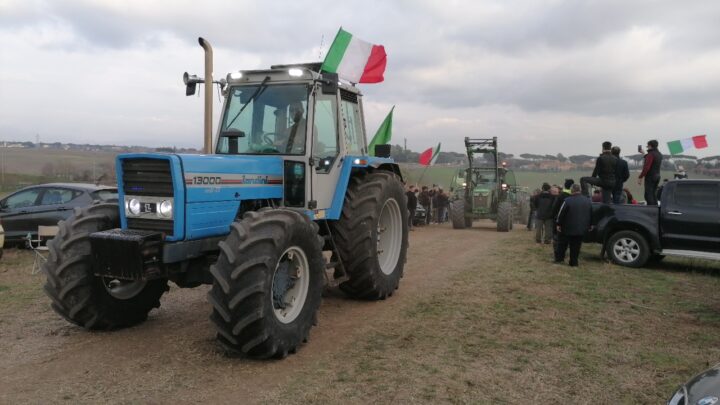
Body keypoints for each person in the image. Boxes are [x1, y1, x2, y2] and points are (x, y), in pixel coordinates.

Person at [554, 184, 593, 267]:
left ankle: (559, 259)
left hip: (567, 227)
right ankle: (573, 262)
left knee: (562, 244)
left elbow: (561, 213)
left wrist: (558, 223)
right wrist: (590, 224)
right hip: (581, 228)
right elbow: (591, 214)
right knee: (576, 246)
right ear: (580, 190)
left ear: (572, 190)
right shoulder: (587, 201)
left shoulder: (567, 200)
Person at [637, 139, 663, 205]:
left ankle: (651, 211)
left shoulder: (650, 154)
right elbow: (652, 160)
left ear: (650, 146)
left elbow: (647, 167)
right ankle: (656, 209)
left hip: (650, 177)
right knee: (653, 194)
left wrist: (640, 177)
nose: (647, 148)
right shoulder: (659, 154)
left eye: (647, 146)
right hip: (657, 176)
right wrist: (644, 154)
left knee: (648, 195)